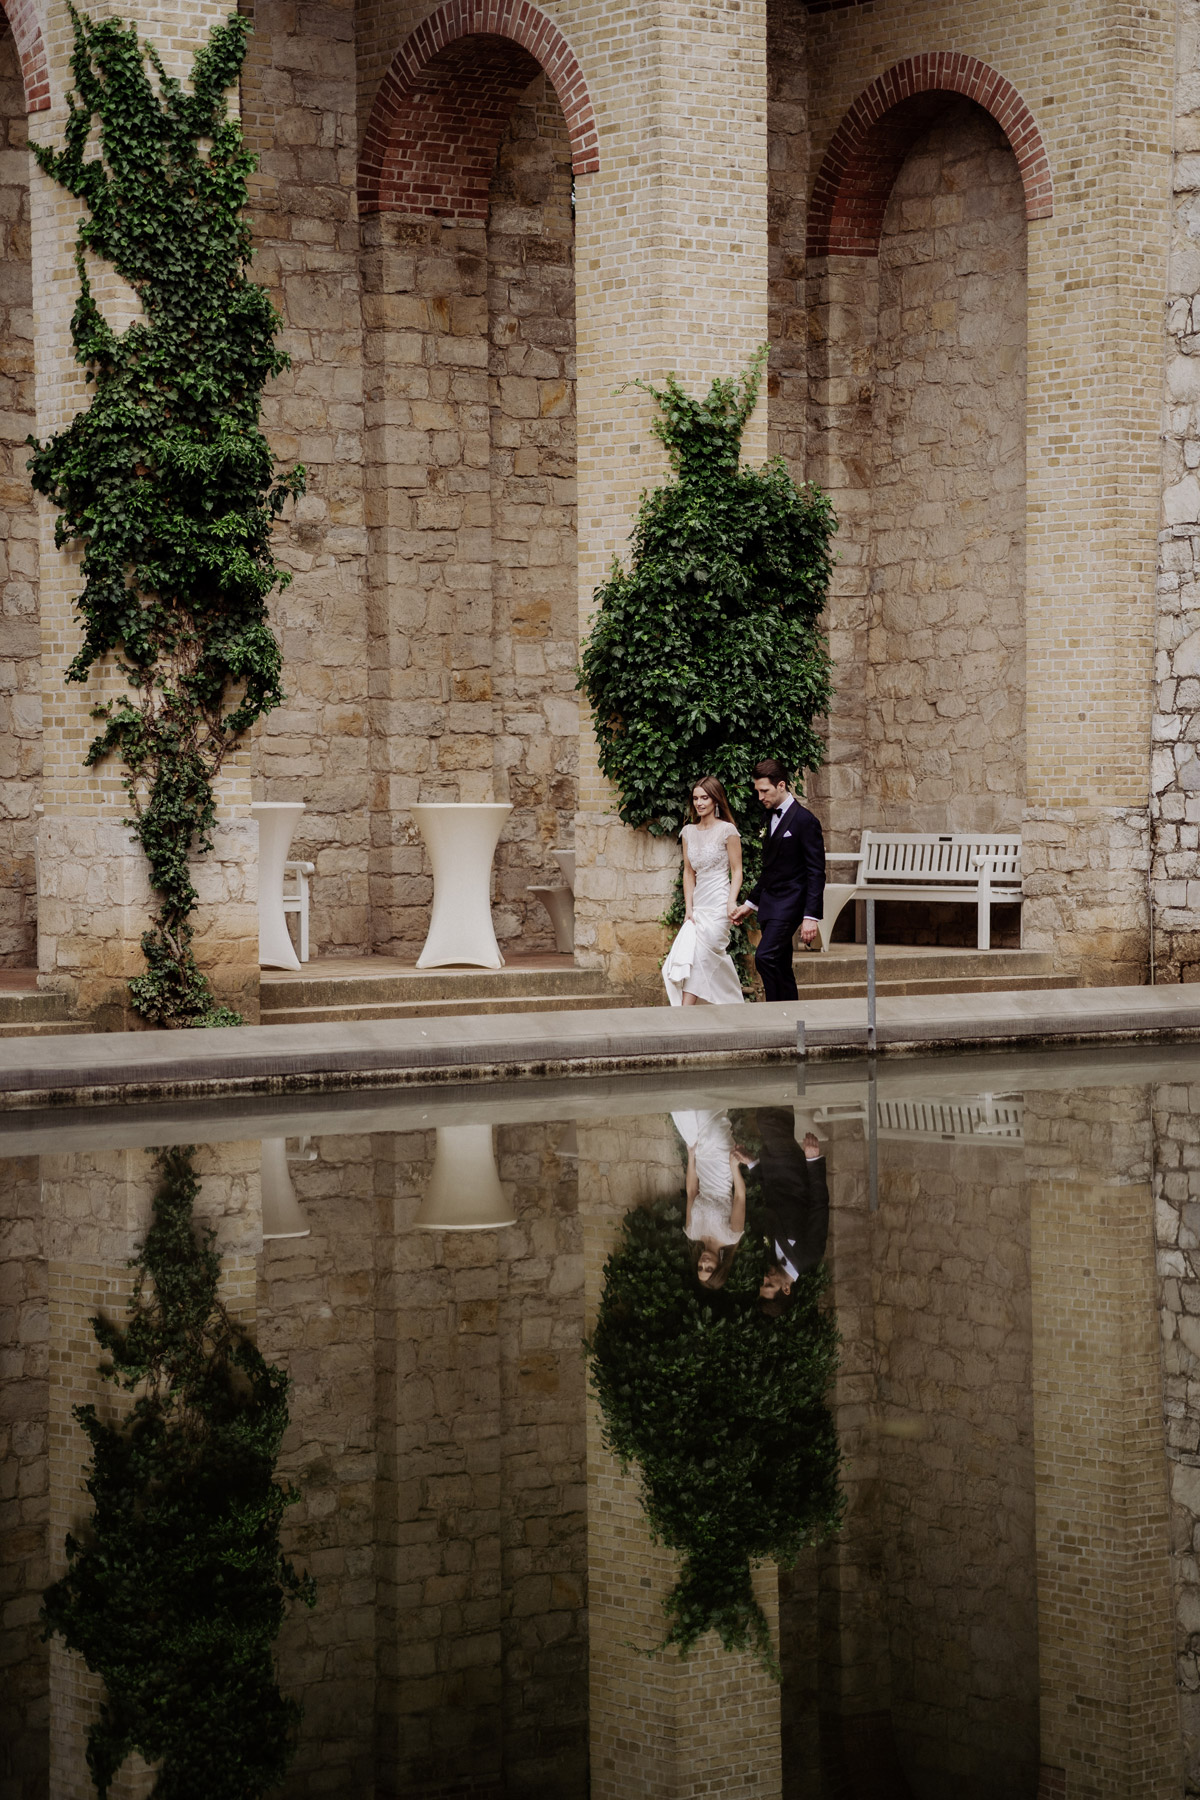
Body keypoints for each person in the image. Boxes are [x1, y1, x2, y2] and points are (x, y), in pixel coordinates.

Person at [730, 758, 826, 1003]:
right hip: (770, 905)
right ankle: (787, 1016)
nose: (760, 796)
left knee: (765, 957)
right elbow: (769, 869)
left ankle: (775, 1010)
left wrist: (810, 917)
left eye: (765, 791)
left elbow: (816, 872)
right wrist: (749, 906)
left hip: (792, 903)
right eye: (758, 791)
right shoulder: (767, 818)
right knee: (781, 964)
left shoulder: (806, 821)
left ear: (781, 785)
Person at [662, 776, 746, 1006]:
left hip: (719, 902)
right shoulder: (688, 831)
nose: (699, 803)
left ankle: (682, 1012)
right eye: (696, 798)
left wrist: (731, 902)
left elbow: (737, 871)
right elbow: (688, 873)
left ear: (715, 799)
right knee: (693, 956)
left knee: (701, 956)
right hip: (699, 905)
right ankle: (731, 1005)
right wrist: (689, 909)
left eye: (705, 798)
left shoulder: (728, 830)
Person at [755, 1109, 829, 1315]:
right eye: (769, 1285)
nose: (765, 1278)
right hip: (793, 1171)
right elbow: (819, 1207)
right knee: (768, 1117)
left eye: (763, 1283)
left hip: (771, 1168)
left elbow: (770, 1203)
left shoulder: (770, 1256)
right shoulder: (810, 1255)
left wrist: (753, 1167)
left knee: (774, 1114)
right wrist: (813, 1162)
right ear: (786, 1289)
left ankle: (784, 1082)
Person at [672, 1107, 753, 1288]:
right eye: (709, 1268)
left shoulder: (692, 1232)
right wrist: (734, 1167)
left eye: (700, 1267)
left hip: (700, 1160)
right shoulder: (731, 1236)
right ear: (719, 1266)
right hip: (722, 1162)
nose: (704, 1263)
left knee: (682, 1108)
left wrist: (691, 1156)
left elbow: (692, 1191)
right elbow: (740, 1197)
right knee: (709, 1113)